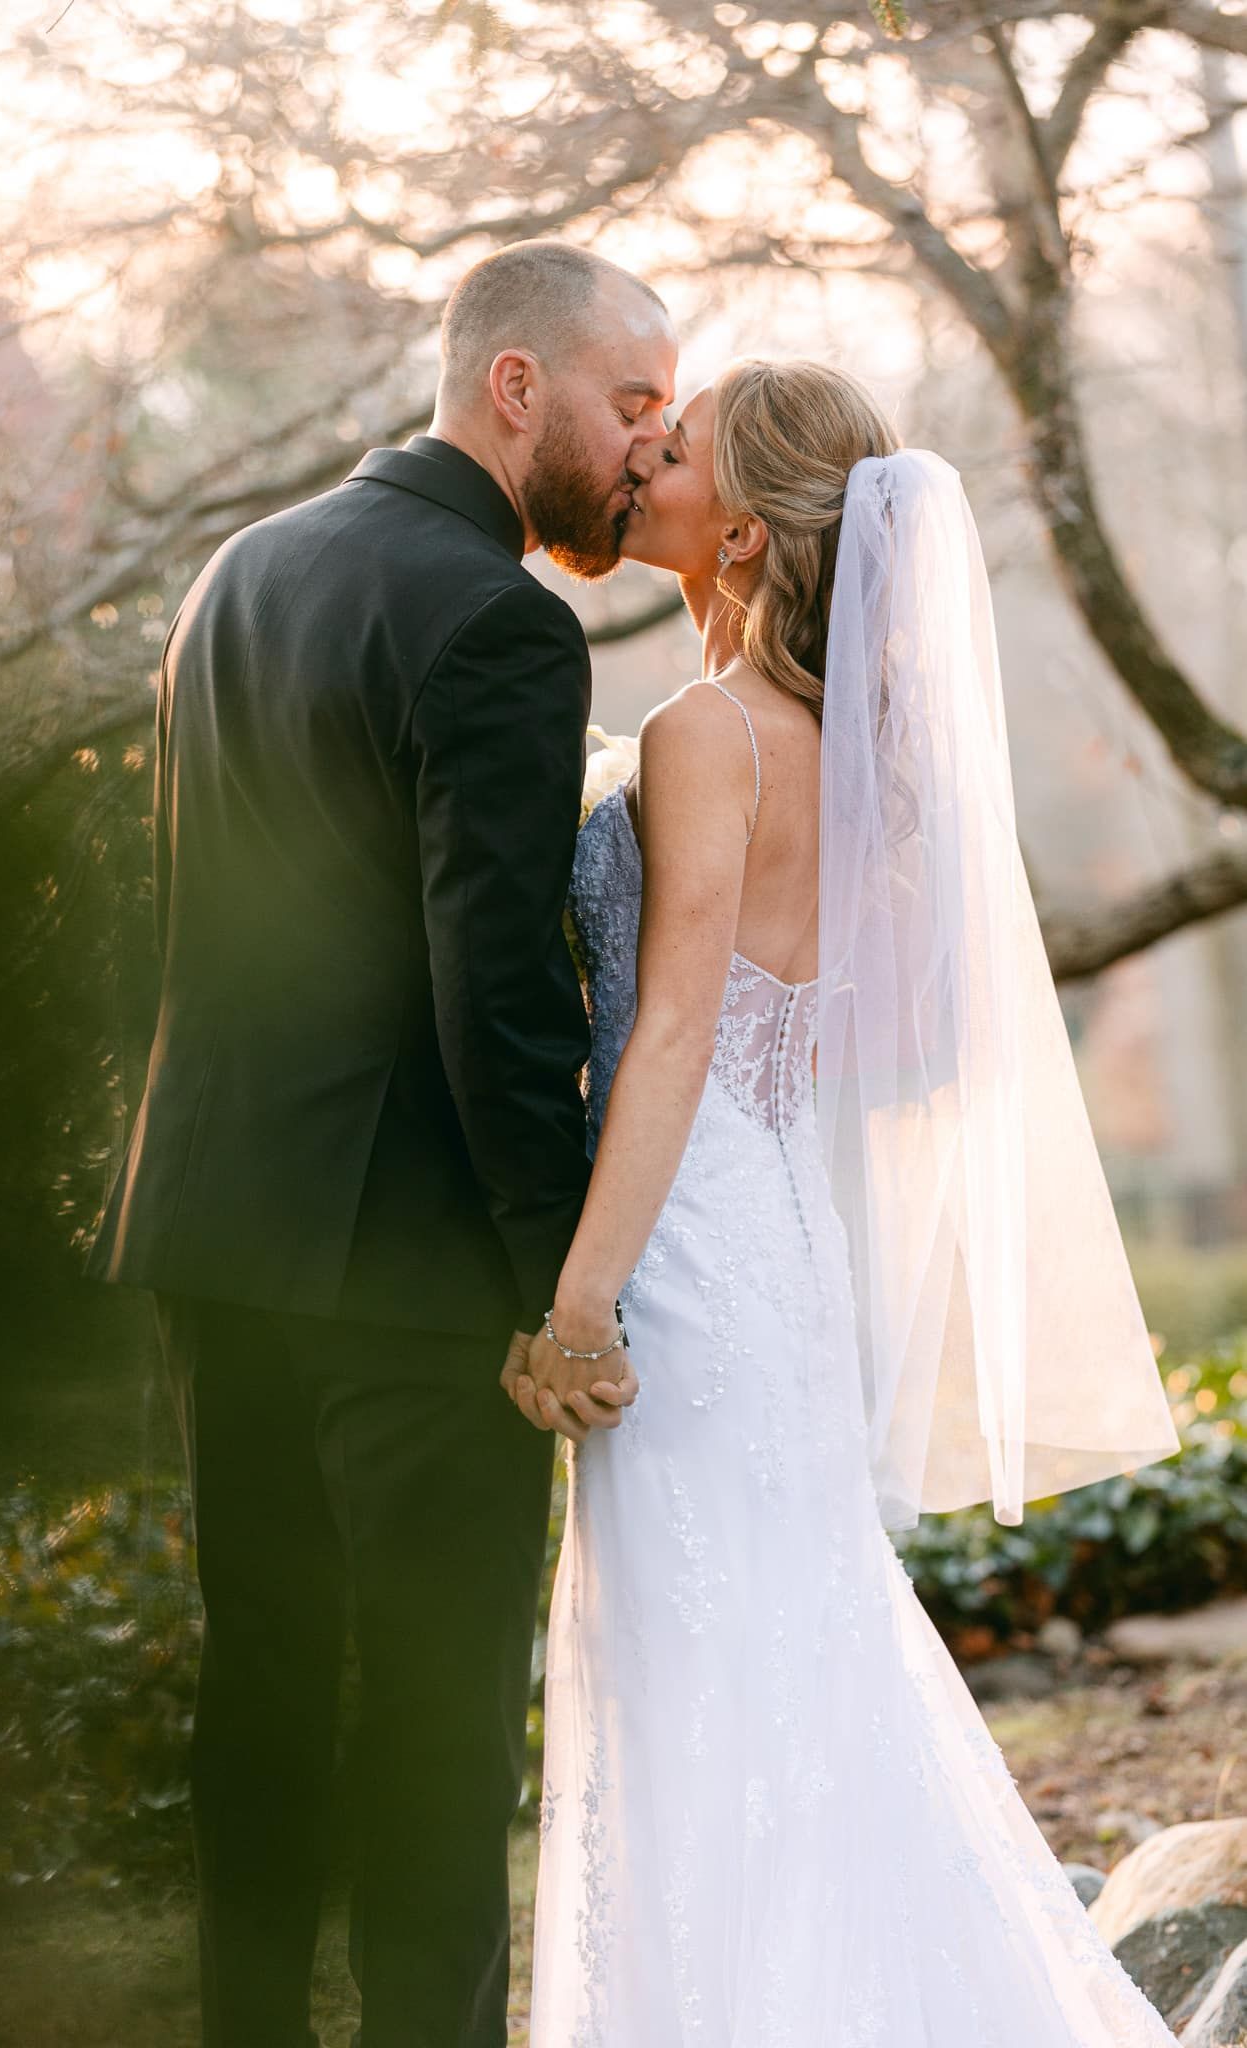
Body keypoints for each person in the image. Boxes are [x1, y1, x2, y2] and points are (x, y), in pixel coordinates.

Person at [521, 358, 1184, 2045]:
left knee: (705, 1690)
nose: (642, 456)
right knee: (787, 1678)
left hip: (683, 1254)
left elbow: (668, 1033)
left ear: (737, 534)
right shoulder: (841, 744)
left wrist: (580, 1298)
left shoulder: (705, 734)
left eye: (673, 451)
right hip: (784, 1257)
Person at [87, 239, 673, 2048]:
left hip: (207, 1233)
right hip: (410, 1270)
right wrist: (548, 1283)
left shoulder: (234, 575)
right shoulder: (497, 620)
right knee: (427, 1722)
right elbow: (494, 989)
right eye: (628, 404)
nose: (644, 451)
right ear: (518, 389)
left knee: (257, 1692)